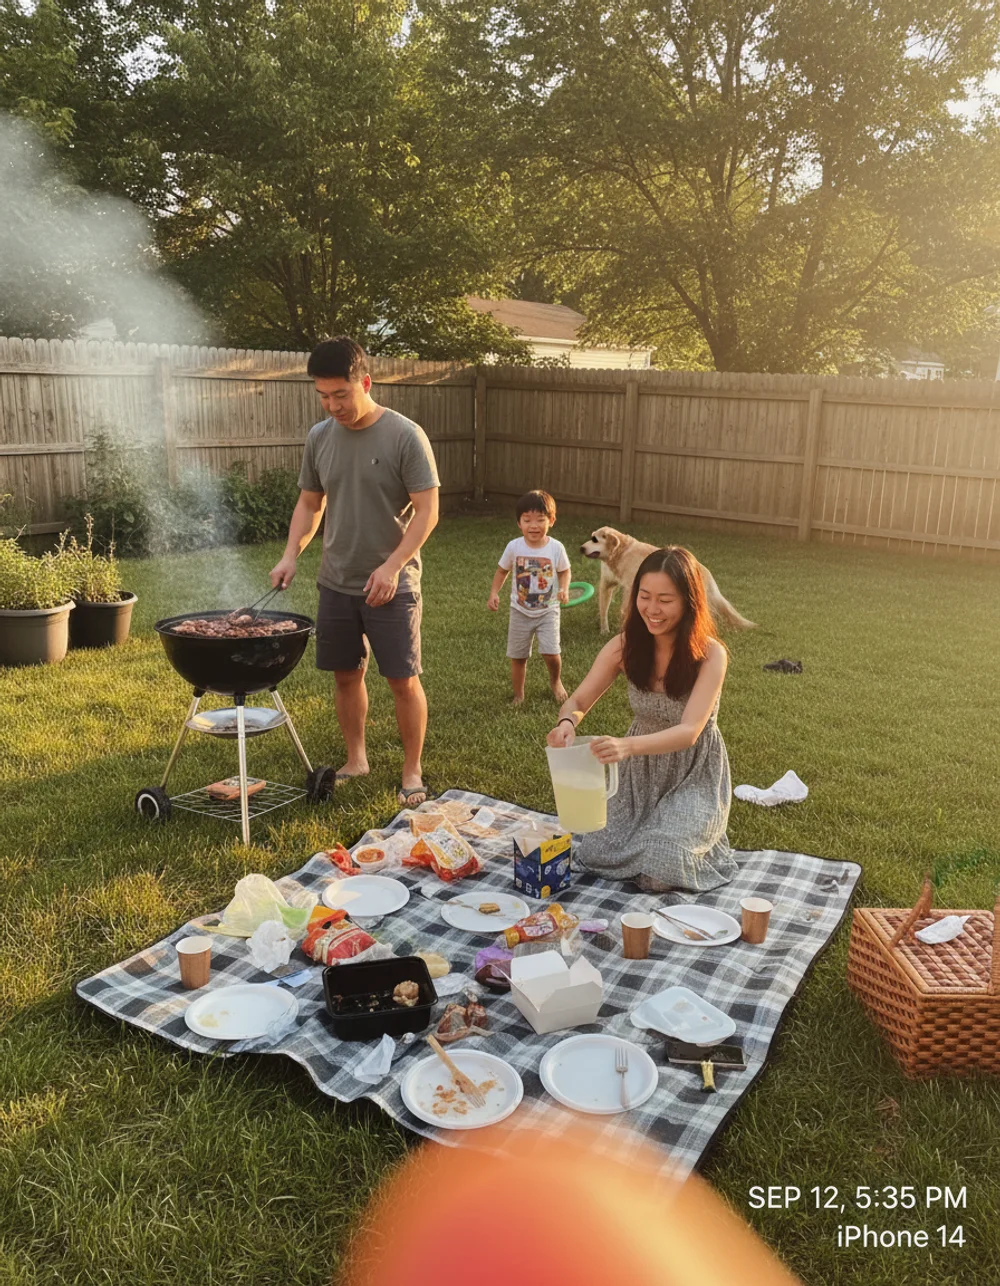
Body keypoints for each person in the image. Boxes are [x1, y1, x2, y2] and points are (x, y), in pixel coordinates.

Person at [270, 336, 439, 806]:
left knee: (402, 680)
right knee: (346, 675)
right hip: (336, 581)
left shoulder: (405, 435)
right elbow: (310, 503)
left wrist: (391, 567)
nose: (332, 405)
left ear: (364, 382)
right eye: (323, 396)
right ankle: (356, 758)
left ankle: (412, 770)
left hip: (392, 584)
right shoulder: (319, 436)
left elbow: (428, 512)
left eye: (340, 394)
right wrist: (290, 554)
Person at [546, 546, 737, 892]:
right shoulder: (624, 646)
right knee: (594, 850)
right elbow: (577, 699)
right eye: (645, 596)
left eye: (665, 600)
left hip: (692, 774)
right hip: (638, 778)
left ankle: (685, 842)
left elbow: (689, 732)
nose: (652, 609)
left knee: (662, 867)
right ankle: (651, 840)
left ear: (690, 601)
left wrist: (626, 746)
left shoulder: (711, 654)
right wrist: (567, 724)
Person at [487, 490, 571, 705]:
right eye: (527, 520)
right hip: (520, 611)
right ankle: (519, 694)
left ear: (551, 521)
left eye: (540, 520)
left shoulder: (556, 548)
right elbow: (501, 571)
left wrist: (564, 588)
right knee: (518, 656)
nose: (534, 525)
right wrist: (494, 593)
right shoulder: (514, 547)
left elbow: (564, 571)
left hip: (548, 610)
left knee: (551, 652)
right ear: (519, 523)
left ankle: (555, 681)